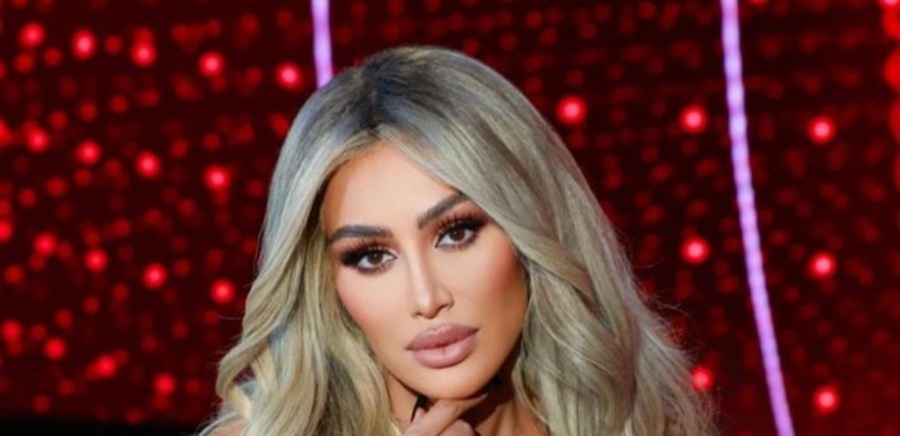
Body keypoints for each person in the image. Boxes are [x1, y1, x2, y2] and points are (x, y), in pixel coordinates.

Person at [200, 46, 714, 436]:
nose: (427, 299)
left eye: (457, 233)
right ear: (326, 280)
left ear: (531, 227)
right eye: (372, 257)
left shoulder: (637, 422)